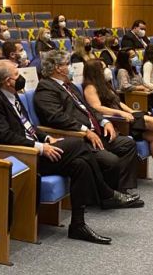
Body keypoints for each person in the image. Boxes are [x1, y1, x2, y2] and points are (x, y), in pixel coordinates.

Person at [0, 60, 127, 244]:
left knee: (80, 164)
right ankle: (106, 193)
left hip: (34, 150)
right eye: (16, 74)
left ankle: (78, 225)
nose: (21, 77)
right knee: (79, 144)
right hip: (22, 156)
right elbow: (2, 135)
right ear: (7, 81)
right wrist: (40, 148)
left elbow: (28, 126)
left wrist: (46, 138)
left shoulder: (12, 94)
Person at [33, 50, 141, 198]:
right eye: (67, 64)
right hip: (78, 138)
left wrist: (104, 121)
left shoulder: (69, 85)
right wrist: (85, 130)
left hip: (96, 131)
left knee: (128, 145)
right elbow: (56, 117)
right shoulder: (45, 88)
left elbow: (88, 108)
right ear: (58, 68)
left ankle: (122, 189)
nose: (71, 67)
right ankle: (108, 196)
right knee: (111, 161)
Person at [82, 59, 153, 187]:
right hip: (116, 122)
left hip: (125, 117)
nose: (107, 71)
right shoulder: (90, 87)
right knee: (148, 120)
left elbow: (118, 102)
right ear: (95, 71)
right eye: (103, 68)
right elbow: (96, 108)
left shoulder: (105, 85)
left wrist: (132, 111)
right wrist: (120, 113)